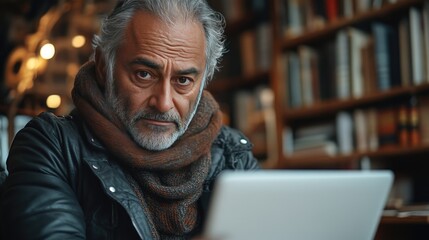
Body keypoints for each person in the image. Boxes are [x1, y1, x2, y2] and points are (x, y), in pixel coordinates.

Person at [0, 0, 260, 239]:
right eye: (144, 75)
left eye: (183, 81)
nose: (164, 102)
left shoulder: (233, 154)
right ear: (104, 67)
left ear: (203, 81)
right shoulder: (52, 147)